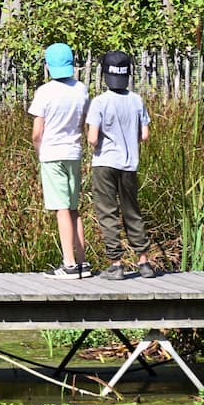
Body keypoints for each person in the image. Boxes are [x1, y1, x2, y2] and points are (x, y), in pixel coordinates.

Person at [85, 51, 158, 279]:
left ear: (106, 74)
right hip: (129, 164)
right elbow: (144, 135)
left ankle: (116, 263)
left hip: (105, 163)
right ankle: (143, 261)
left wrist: (95, 144)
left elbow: (93, 138)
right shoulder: (136, 100)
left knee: (108, 212)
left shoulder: (100, 102)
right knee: (131, 211)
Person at [29, 42, 89, 279]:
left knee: (61, 209)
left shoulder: (45, 92)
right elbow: (83, 121)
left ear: (48, 66)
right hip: (73, 152)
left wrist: (39, 152)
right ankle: (83, 262)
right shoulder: (81, 89)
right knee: (74, 209)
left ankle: (69, 264)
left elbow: (37, 132)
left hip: (52, 154)